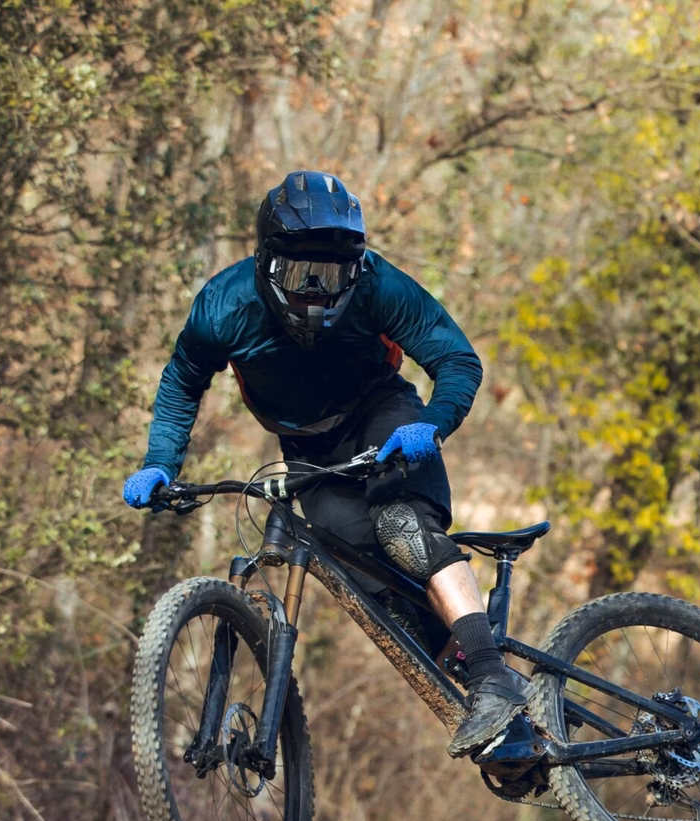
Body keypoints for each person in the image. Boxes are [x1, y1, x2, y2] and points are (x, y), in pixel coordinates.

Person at [121, 170, 525, 758]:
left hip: (384, 418)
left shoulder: (380, 285)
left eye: (332, 275)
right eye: (300, 274)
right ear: (266, 263)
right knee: (379, 601)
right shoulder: (223, 305)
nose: (315, 290)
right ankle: (502, 729)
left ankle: (493, 678)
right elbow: (183, 380)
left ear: (355, 269)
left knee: (400, 526)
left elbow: (457, 359)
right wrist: (161, 462)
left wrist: (431, 426)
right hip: (310, 450)